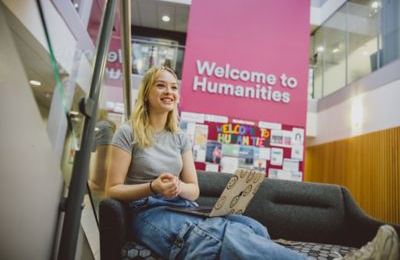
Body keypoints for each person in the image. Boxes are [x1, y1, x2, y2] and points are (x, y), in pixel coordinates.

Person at [106, 66, 399, 259]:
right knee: (221, 235)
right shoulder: (128, 132)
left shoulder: (180, 137)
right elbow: (113, 189)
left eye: (173, 87)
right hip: (146, 212)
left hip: (182, 205)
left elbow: (193, 190)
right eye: (161, 86)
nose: (169, 92)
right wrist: (152, 187)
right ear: (147, 92)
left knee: (251, 227)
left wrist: (179, 187)